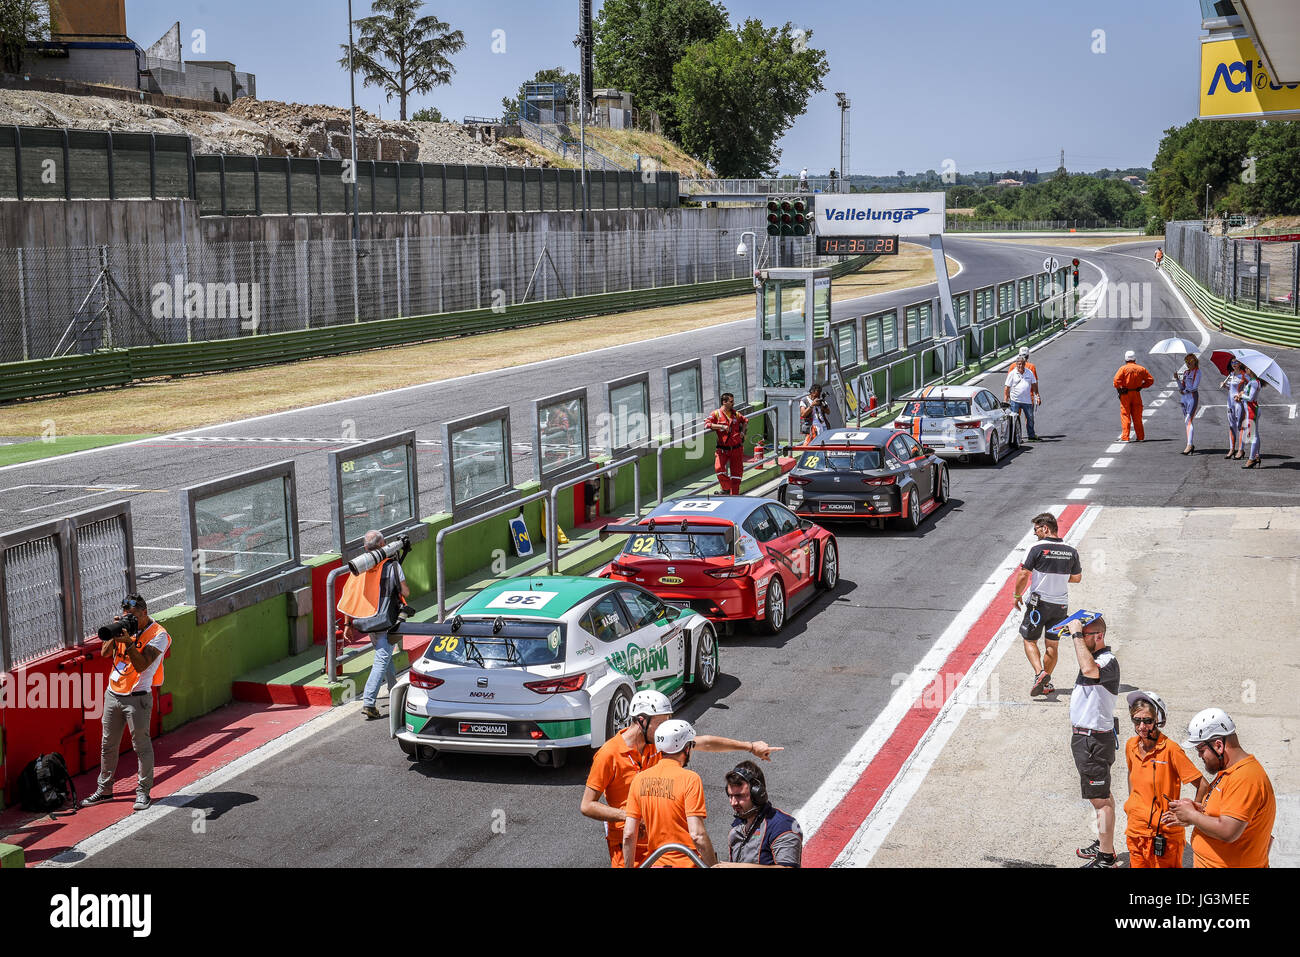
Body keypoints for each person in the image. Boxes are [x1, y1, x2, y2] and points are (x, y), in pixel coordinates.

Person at [580, 690, 780, 867]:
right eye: (661, 722)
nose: (665, 728)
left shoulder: (662, 744)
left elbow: (707, 743)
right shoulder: (609, 755)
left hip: (661, 846)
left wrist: (750, 747)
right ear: (642, 720)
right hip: (628, 848)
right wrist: (629, 815)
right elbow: (587, 805)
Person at [81, 595, 171, 812]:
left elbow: (141, 665)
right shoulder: (124, 629)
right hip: (113, 693)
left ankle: (143, 792)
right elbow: (104, 653)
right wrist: (114, 633)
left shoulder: (160, 635)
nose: (130, 620)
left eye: (133, 617)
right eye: (126, 616)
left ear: (144, 612)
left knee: (141, 746)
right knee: (107, 745)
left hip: (138, 696)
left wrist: (129, 643)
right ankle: (104, 790)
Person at [1105, 691, 1208, 868]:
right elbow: (1132, 774)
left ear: (1158, 720)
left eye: (1148, 720)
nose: (1142, 726)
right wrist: (1132, 804)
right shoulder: (1131, 745)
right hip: (1136, 830)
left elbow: (1203, 785)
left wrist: (1189, 815)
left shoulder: (1171, 750)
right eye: (1137, 720)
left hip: (1165, 834)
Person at [1163, 708, 1276, 868]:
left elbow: (1228, 831)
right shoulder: (1229, 771)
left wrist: (1192, 816)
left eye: (1201, 750)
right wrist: (1197, 809)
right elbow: (1227, 811)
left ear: (1218, 746)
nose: (1199, 756)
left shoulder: (1245, 778)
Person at [1060, 611, 1120, 868]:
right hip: (1089, 740)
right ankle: (1105, 844)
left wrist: (1075, 633)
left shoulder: (1106, 661)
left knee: (1101, 802)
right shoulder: (1096, 658)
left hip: (1093, 742)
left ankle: (1106, 859)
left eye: (1085, 637)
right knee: (1103, 795)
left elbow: (1088, 669)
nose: (1079, 642)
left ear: (1099, 636)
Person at [622, 720, 717, 867]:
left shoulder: (639, 779)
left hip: (655, 862)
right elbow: (697, 835)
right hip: (688, 862)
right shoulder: (690, 779)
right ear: (686, 748)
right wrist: (713, 865)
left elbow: (628, 834)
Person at [338, 530, 410, 720]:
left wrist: (347, 625)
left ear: (365, 548)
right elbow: (406, 592)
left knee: (383, 653)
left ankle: (394, 689)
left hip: (365, 622)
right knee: (382, 657)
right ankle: (369, 702)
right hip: (385, 620)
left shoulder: (358, 568)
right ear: (384, 544)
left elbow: (349, 598)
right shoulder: (392, 565)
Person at [1014, 512, 1081, 697]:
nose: (1035, 534)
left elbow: (1023, 574)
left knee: (1029, 639)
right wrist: (1057, 576)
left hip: (1038, 604)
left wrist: (1017, 594)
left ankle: (1039, 673)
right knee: (1052, 645)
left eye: (1036, 530)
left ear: (1045, 528)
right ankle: (1046, 683)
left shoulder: (1036, 548)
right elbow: (1077, 578)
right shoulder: (1071, 550)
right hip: (1060, 606)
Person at [714, 761, 804, 868]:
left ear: (757, 794)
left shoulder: (783, 826)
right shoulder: (737, 827)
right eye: (730, 796)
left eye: (739, 796)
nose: (733, 802)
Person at [705, 392, 749, 495]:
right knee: (719, 469)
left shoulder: (736, 414)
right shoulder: (716, 414)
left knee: (736, 477)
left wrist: (743, 432)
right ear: (724, 402)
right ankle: (726, 488)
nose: (733, 403)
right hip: (722, 450)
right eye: (731, 401)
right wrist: (721, 427)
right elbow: (707, 424)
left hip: (737, 449)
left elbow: (745, 421)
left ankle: (733, 497)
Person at [1113, 350, 1155, 442]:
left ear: (1125, 359)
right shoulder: (1141, 369)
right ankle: (1140, 437)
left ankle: (1125, 437)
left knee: (1125, 415)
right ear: (1134, 358)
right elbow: (1150, 380)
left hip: (1125, 394)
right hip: (1136, 394)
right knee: (1137, 416)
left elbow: (1116, 381)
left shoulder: (1123, 369)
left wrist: (1120, 388)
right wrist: (1141, 386)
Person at [1003, 352, 1040, 441]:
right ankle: (1016, 437)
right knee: (1014, 420)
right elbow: (1007, 387)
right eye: (1019, 364)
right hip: (1015, 400)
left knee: (1030, 418)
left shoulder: (1029, 372)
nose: (1020, 366)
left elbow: (1034, 384)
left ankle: (1031, 436)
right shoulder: (1012, 373)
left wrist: (1037, 395)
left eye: (1022, 364)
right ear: (1016, 365)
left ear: (1025, 364)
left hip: (1027, 400)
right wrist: (1005, 399)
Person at [1220, 358, 1247, 459]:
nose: (1234, 364)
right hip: (1230, 403)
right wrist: (1224, 386)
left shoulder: (1244, 375)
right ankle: (1232, 449)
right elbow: (1231, 389)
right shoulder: (1231, 374)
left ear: (1240, 363)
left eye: (1236, 362)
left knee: (1240, 426)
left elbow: (1249, 388)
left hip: (1239, 403)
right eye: (1232, 362)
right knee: (1231, 425)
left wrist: (1241, 395)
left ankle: (1241, 450)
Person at [1237, 368, 1263, 469]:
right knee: (1255, 434)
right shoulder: (1253, 381)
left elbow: (1251, 398)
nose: (1245, 369)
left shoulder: (1254, 382)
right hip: (1250, 409)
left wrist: (1242, 395)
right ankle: (1256, 456)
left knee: (1253, 435)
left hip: (1252, 409)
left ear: (1252, 370)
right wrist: (1241, 395)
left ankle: (1252, 459)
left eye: (1247, 368)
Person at [1176, 353, 1201, 455]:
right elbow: (1182, 387)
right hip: (1184, 399)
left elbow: (1194, 387)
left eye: (1190, 361)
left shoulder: (1197, 372)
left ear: (1195, 361)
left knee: (1188, 420)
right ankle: (1190, 444)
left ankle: (1189, 445)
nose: (1188, 363)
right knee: (1186, 421)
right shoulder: (1186, 373)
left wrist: (1185, 391)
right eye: (1186, 361)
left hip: (1192, 398)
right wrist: (1177, 379)